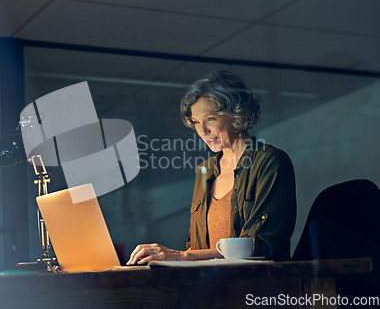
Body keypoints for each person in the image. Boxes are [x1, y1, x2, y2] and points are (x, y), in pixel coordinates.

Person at [127, 70, 296, 265]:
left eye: (210, 119)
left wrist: (181, 256)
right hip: (209, 287)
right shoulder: (204, 170)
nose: (202, 131)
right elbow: (196, 247)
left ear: (236, 113)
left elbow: (261, 245)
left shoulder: (270, 162)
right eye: (196, 122)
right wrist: (170, 257)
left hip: (256, 285)